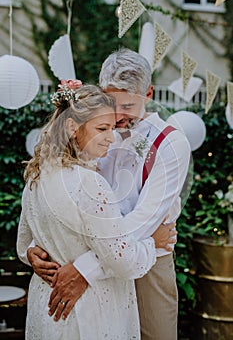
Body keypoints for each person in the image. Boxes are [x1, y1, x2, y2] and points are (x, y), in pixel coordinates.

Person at [26, 49, 191, 339]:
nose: (117, 115)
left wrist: (84, 270)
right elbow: (56, 192)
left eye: (127, 105)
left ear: (149, 93)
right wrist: (31, 248)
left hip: (145, 262)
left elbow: (144, 221)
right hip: (86, 259)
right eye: (111, 102)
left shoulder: (170, 142)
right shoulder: (92, 129)